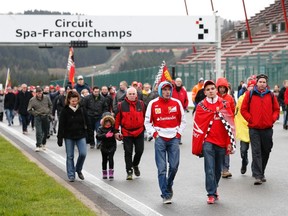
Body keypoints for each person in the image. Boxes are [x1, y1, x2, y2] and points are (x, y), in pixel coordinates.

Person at [192, 80, 235, 204]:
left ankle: (214, 188)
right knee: (209, 168)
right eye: (208, 89)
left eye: (212, 89)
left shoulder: (225, 104)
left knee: (217, 170)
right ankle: (210, 193)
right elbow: (198, 126)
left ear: (216, 90)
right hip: (208, 141)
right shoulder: (200, 106)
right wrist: (199, 142)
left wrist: (229, 142)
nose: (211, 91)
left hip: (221, 141)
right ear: (205, 92)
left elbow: (230, 125)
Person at [144, 81, 186, 204]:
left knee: (174, 166)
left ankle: (168, 184)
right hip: (160, 138)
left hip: (173, 138)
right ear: (160, 91)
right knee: (161, 168)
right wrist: (155, 134)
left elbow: (183, 121)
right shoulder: (153, 104)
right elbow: (147, 122)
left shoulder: (176, 103)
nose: (167, 92)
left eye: (169, 90)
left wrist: (178, 134)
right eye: (164, 90)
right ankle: (165, 194)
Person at [241, 74, 280, 185]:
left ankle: (261, 171)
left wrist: (271, 120)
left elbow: (276, 110)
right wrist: (251, 119)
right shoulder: (250, 94)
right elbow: (243, 110)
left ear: (266, 84)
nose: (262, 84)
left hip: (267, 128)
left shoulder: (271, 95)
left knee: (266, 150)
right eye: (260, 82)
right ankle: (258, 175)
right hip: (254, 128)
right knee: (256, 151)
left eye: (264, 82)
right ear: (256, 83)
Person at [57, 90, 93, 182]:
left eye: (76, 101)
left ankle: (78, 168)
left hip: (81, 135)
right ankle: (71, 174)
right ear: (69, 100)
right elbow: (61, 125)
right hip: (69, 136)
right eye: (73, 101)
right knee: (70, 156)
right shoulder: (65, 111)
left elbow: (88, 122)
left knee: (83, 153)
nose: (74, 103)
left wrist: (90, 136)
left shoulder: (81, 109)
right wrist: (60, 138)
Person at [114, 87, 145, 180]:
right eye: (130, 94)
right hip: (127, 132)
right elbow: (117, 119)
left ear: (136, 95)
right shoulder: (121, 105)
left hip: (139, 131)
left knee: (139, 151)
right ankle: (129, 170)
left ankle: (135, 164)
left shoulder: (142, 104)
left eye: (133, 94)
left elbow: (147, 117)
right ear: (127, 95)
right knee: (128, 152)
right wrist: (116, 131)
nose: (132, 96)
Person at [235, 79, 256, 174]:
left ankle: (255, 169)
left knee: (256, 151)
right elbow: (237, 113)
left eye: (253, 87)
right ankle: (244, 161)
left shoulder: (258, 99)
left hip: (255, 127)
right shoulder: (241, 99)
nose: (251, 89)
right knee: (243, 150)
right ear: (247, 88)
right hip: (244, 127)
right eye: (249, 87)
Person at [216, 77, 235, 178]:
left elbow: (232, 111)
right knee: (218, 148)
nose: (222, 89)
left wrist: (231, 124)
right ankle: (219, 168)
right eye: (220, 87)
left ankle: (226, 169)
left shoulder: (230, 98)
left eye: (224, 87)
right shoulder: (214, 98)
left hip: (227, 126)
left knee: (227, 147)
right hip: (217, 126)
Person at [27, 87, 53, 152]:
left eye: (40, 93)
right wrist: (35, 113)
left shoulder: (46, 98)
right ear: (36, 93)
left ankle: (43, 143)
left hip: (46, 116)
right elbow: (29, 109)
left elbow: (50, 105)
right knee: (39, 131)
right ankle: (38, 145)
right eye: (38, 93)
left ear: (42, 92)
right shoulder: (32, 100)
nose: (39, 94)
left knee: (46, 131)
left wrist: (49, 112)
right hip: (38, 117)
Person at [96, 112, 117, 180]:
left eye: (109, 122)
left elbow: (117, 133)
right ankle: (104, 172)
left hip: (112, 145)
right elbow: (97, 136)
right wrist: (105, 135)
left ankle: (111, 172)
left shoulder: (113, 128)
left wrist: (119, 136)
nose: (108, 124)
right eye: (106, 122)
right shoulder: (100, 129)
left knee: (111, 158)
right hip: (104, 146)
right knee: (104, 159)